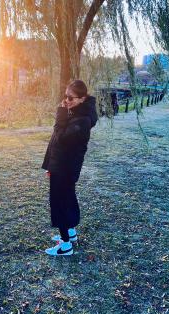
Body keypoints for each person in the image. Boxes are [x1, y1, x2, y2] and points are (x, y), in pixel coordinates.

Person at [42, 80, 98, 256]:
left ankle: (65, 245)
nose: (66, 100)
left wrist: (60, 114)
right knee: (67, 199)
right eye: (65, 96)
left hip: (64, 168)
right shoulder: (75, 113)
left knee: (60, 203)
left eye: (71, 98)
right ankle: (71, 234)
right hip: (62, 165)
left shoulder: (81, 121)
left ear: (83, 98)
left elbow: (60, 138)